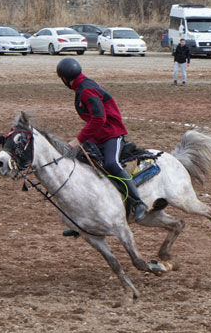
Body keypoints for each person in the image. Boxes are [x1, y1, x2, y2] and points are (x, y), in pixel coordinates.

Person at [56, 58, 148, 237]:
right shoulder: (82, 86)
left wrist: (78, 140)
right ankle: (83, 221)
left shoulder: (86, 90)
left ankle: (138, 203)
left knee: (111, 164)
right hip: (98, 135)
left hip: (112, 134)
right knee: (82, 165)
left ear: (65, 79)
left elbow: (99, 118)